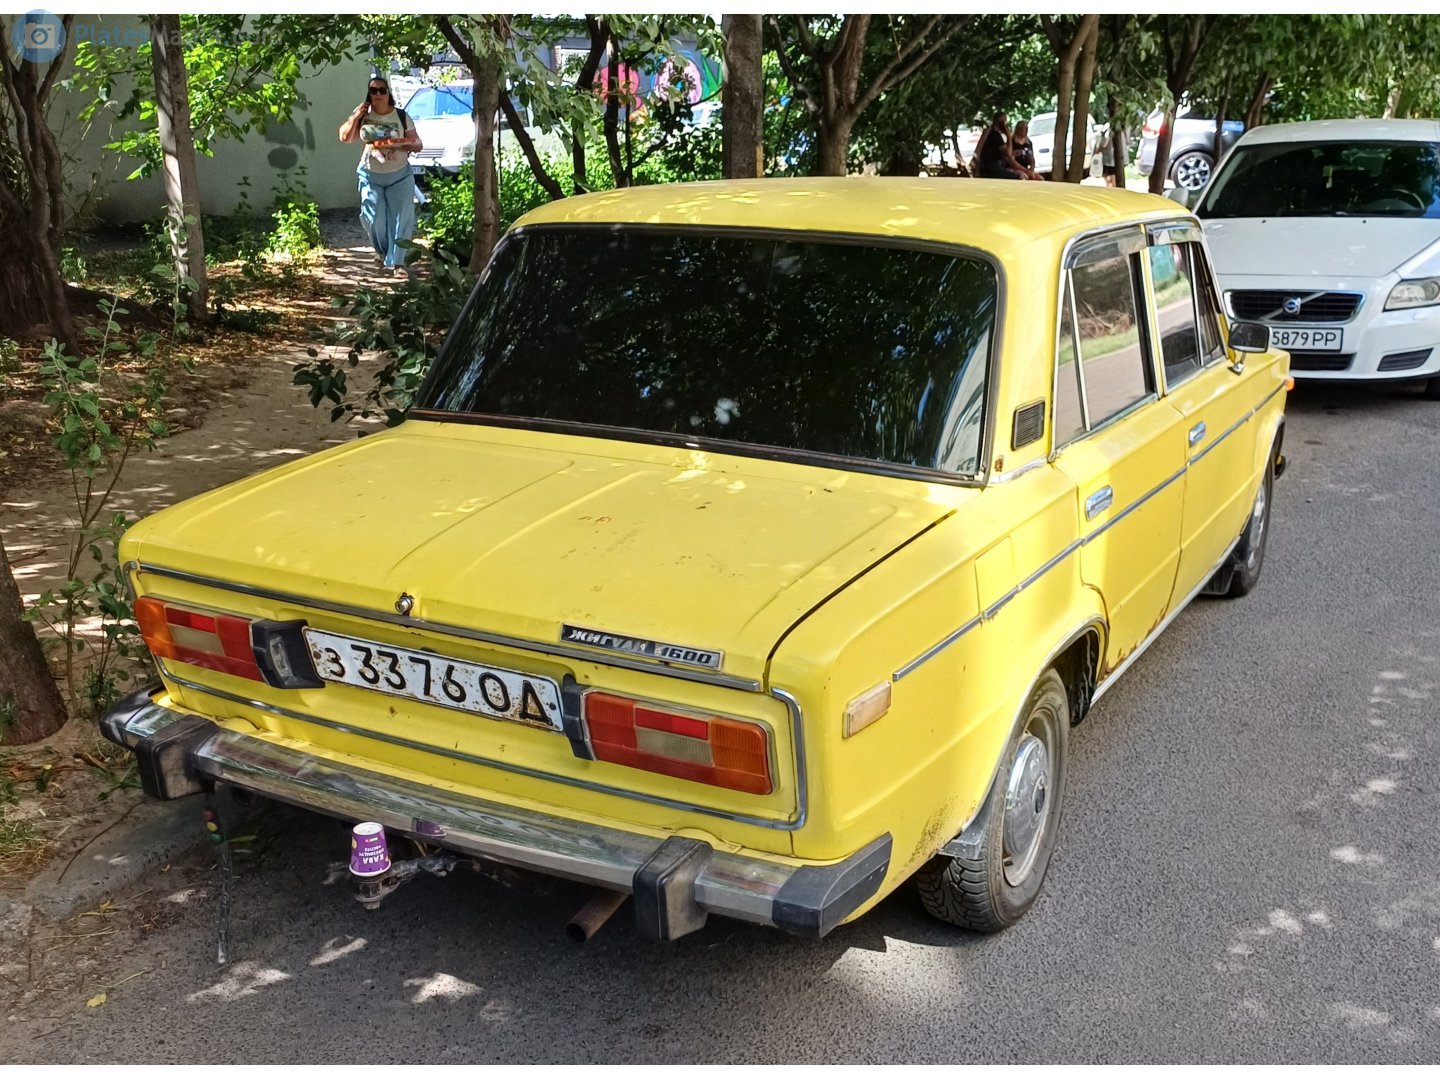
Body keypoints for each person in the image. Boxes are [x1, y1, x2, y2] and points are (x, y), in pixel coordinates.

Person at [338, 76, 423, 276]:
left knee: (402, 219)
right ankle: (383, 251)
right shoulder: (363, 116)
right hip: (370, 175)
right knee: (374, 218)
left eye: (381, 90)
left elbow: (418, 144)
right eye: (373, 91)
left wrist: (401, 143)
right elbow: (345, 137)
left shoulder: (401, 117)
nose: (377, 94)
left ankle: (398, 264)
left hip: (399, 175)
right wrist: (355, 117)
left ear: (388, 93)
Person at [977, 111, 1026, 180]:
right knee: (1021, 176)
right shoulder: (995, 135)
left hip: (990, 167)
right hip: (993, 169)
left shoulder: (990, 132)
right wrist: (1008, 135)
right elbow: (1008, 154)